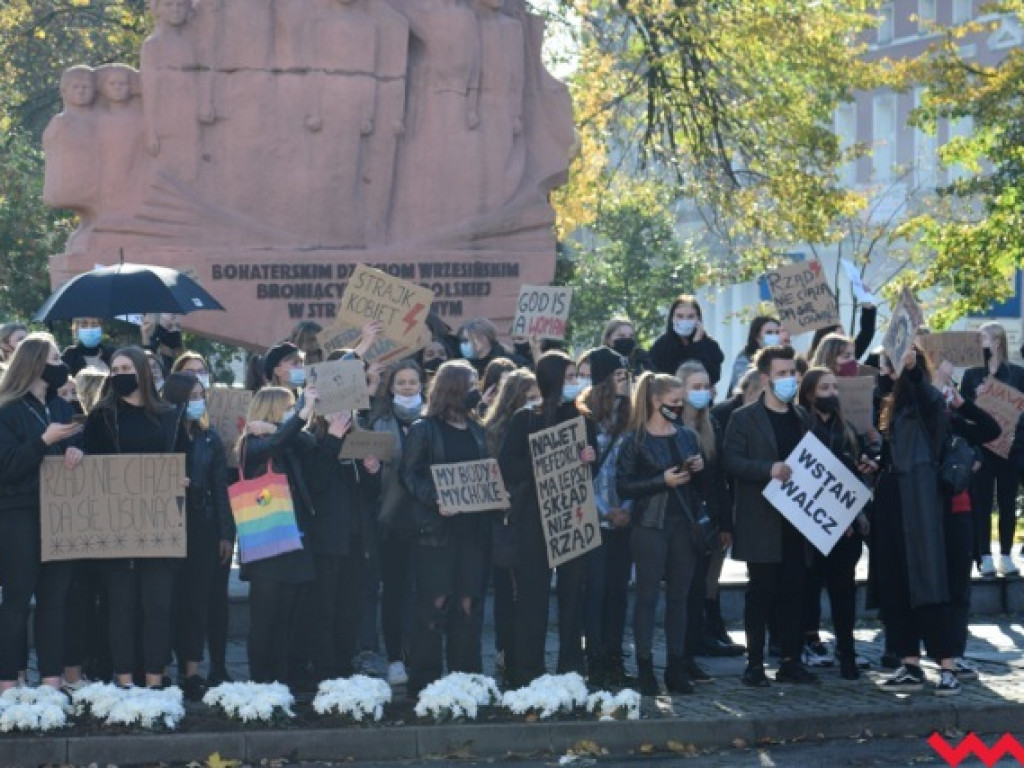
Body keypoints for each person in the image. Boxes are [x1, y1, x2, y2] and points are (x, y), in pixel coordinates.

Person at [81, 346, 188, 688]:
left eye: (126, 367)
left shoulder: (171, 414)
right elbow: (90, 461)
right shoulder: (102, 416)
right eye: (114, 369)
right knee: (121, 606)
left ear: (142, 371)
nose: (119, 374)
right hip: (118, 523)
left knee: (158, 606)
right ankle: (124, 680)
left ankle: (155, 681)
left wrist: (184, 478)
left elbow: (184, 456)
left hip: (160, 523)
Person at [498, 351, 598, 687]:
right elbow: (507, 466)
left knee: (574, 593)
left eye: (577, 377)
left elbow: (591, 469)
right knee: (532, 596)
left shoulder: (585, 420)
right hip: (533, 519)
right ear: (552, 380)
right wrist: (544, 461)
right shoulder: (525, 420)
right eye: (569, 377)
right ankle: (527, 670)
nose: (576, 383)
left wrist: (587, 458)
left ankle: (571, 668)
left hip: (573, 514)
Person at [723, 345, 818, 687]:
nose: (789, 379)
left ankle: (791, 660)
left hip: (797, 521)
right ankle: (755, 664)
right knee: (760, 593)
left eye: (792, 373)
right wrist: (768, 469)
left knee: (794, 591)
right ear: (765, 378)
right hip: (760, 520)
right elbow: (731, 461)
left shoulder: (802, 418)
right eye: (782, 374)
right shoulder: (743, 418)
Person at [616, 371, 711, 695]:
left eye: (681, 402)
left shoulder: (686, 435)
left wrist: (697, 468)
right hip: (649, 526)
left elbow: (699, 485)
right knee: (647, 597)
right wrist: (661, 481)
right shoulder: (636, 440)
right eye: (674, 402)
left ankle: (676, 666)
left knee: (679, 599)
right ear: (656, 401)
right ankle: (644, 667)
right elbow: (624, 485)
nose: (679, 407)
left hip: (683, 525)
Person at [873, 348, 962, 696]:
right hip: (892, 499)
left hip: (918, 501)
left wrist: (911, 370)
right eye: (886, 364)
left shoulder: (926, 401)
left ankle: (947, 667)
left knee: (926, 579)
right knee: (895, 583)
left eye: (892, 365)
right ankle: (909, 663)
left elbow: (923, 395)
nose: (886, 371)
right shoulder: (890, 405)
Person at [400, 360, 491, 694]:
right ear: (453, 388)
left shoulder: (478, 429)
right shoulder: (424, 429)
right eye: (470, 384)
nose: (475, 391)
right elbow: (409, 475)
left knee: (468, 603)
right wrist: (436, 499)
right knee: (434, 603)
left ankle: (465, 678)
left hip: (472, 530)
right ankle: (424, 680)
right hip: (435, 532)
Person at [0, 333, 83, 692]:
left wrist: (75, 453)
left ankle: (51, 682)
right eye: (53, 359)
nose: (59, 365)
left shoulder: (61, 407)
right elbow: (8, 467)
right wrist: (43, 442)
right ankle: (8, 682)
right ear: (35, 364)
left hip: (59, 514)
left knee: (55, 599)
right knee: (17, 600)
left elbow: (77, 444)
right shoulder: (7, 410)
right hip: (19, 513)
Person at [237, 385, 319, 684]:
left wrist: (278, 426)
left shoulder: (290, 440)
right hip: (266, 546)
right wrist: (286, 425)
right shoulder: (250, 444)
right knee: (265, 621)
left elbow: (310, 444)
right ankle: (260, 682)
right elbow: (272, 446)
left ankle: (281, 682)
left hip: (293, 541)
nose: (292, 414)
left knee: (285, 620)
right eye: (286, 408)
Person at [796, 367, 875, 679]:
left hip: (847, 526)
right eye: (824, 388)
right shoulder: (800, 425)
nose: (831, 393)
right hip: (810, 524)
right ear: (810, 393)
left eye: (834, 387)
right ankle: (808, 642)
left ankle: (847, 650)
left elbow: (858, 470)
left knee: (843, 589)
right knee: (809, 586)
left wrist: (867, 462)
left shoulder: (847, 429)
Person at [160, 373, 232, 700]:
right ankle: (159, 669)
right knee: (165, 601)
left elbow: (220, 487)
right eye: (191, 396)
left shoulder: (209, 438)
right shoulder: (161, 431)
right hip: (164, 522)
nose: (198, 401)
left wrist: (224, 533)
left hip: (201, 524)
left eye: (201, 395)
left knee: (195, 601)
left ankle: (190, 672)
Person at [305, 409, 381, 683]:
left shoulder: (359, 440)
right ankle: (323, 668)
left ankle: (343, 663)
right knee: (324, 606)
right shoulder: (312, 439)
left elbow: (370, 495)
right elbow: (316, 481)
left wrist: (373, 472)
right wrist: (333, 440)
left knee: (351, 607)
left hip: (356, 539)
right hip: (326, 540)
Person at [675, 361, 741, 667]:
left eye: (705, 387)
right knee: (684, 591)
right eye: (695, 388)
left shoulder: (711, 424)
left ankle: (694, 649)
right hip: (679, 520)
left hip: (708, 521)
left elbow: (719, 478)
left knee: (700, 587)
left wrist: (725, 522)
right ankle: (682, 656)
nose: (702, 393)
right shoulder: (672, 425)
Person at [577, 347, 632, 686]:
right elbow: (580, 475)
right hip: (593, 519)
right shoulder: (582, 418)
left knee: (618, 590)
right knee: (594, 589)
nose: (627, 382)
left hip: (624, 518)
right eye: (620, 377)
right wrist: (602, 510)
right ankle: (594, 656)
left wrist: (626, 510)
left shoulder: (632, 415)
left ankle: (614, 655)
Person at [371, 360, 427, 686]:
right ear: (391, 388)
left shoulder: (433, 420)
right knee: (394, 592)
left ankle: (419, 655)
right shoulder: (379, 422)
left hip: (427, 520)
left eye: (412, 382)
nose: (407, 388)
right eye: (401, 383)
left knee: (424, 593)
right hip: (390, 519)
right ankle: (394, 658)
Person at [481, 368, 538, 681]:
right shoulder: (496, 429)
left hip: (531, 516)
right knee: (508, 592)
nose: (536, 403)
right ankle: (508, 654)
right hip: (508, 517)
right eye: (530, 399)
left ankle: (519, 654)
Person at [961, 322, 1024, 578]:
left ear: (997, 342)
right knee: (982, 503)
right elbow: (962, 411)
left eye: (983, 337)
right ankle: (985, 555)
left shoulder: (1018, 374)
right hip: (983, 449)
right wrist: (975, 398)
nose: (979, 342)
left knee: (1008, 503)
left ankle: (1006, 555)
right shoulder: (971, 375)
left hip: (1010, 449)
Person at [649, 295, 725, 386]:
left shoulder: (710, 346)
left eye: (690, 316)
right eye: (680, 316)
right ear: (672, 318)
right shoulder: (661, 346)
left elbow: (713, 376)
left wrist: (697, 345)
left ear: (698, 319)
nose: (685, 321)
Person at [727, 315, 782, 395]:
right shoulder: (744, 358)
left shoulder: (781, 358)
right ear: (757, 337)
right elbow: (743, 386)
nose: (774, 336)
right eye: (769, 332)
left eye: (777, 332)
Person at [457, 318, 527, 378]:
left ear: (483, 339)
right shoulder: (464, 368)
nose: (463, 345)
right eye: (462, 341)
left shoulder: (512, 363)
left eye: (466, 340)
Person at [807, 303, 878, 362]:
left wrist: (868, 305)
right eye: (838, 338)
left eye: (844, 336)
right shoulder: (810, 371)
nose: (843, 341)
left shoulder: (847, 356)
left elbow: (866, 333)